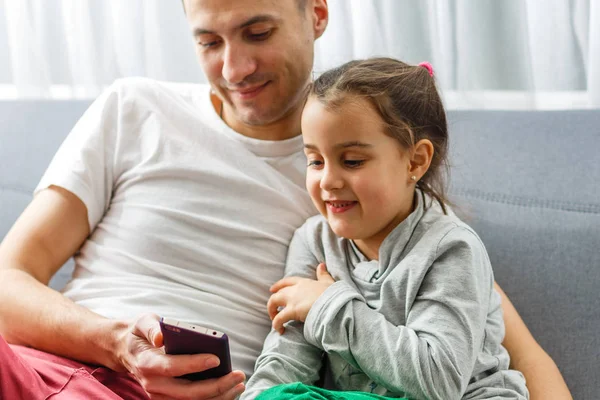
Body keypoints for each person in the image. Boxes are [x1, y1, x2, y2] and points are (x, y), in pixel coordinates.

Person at [0, 1, 572, 399]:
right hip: (42, 367)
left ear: (316, 13)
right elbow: (8, 281)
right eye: (209, 41)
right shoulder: (132, 108)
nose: (235, 68)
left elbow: (509, 351)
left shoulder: (369, 191)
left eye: (258, 33)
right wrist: (115, 343)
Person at [243, 58, 528, 400]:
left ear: (415, 161)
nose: (328, 181)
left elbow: (438, 381)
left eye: (352, 161)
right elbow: (286, 358)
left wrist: (327, 307)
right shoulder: (313, 241)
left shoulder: (451, 249)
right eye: (315, 161)